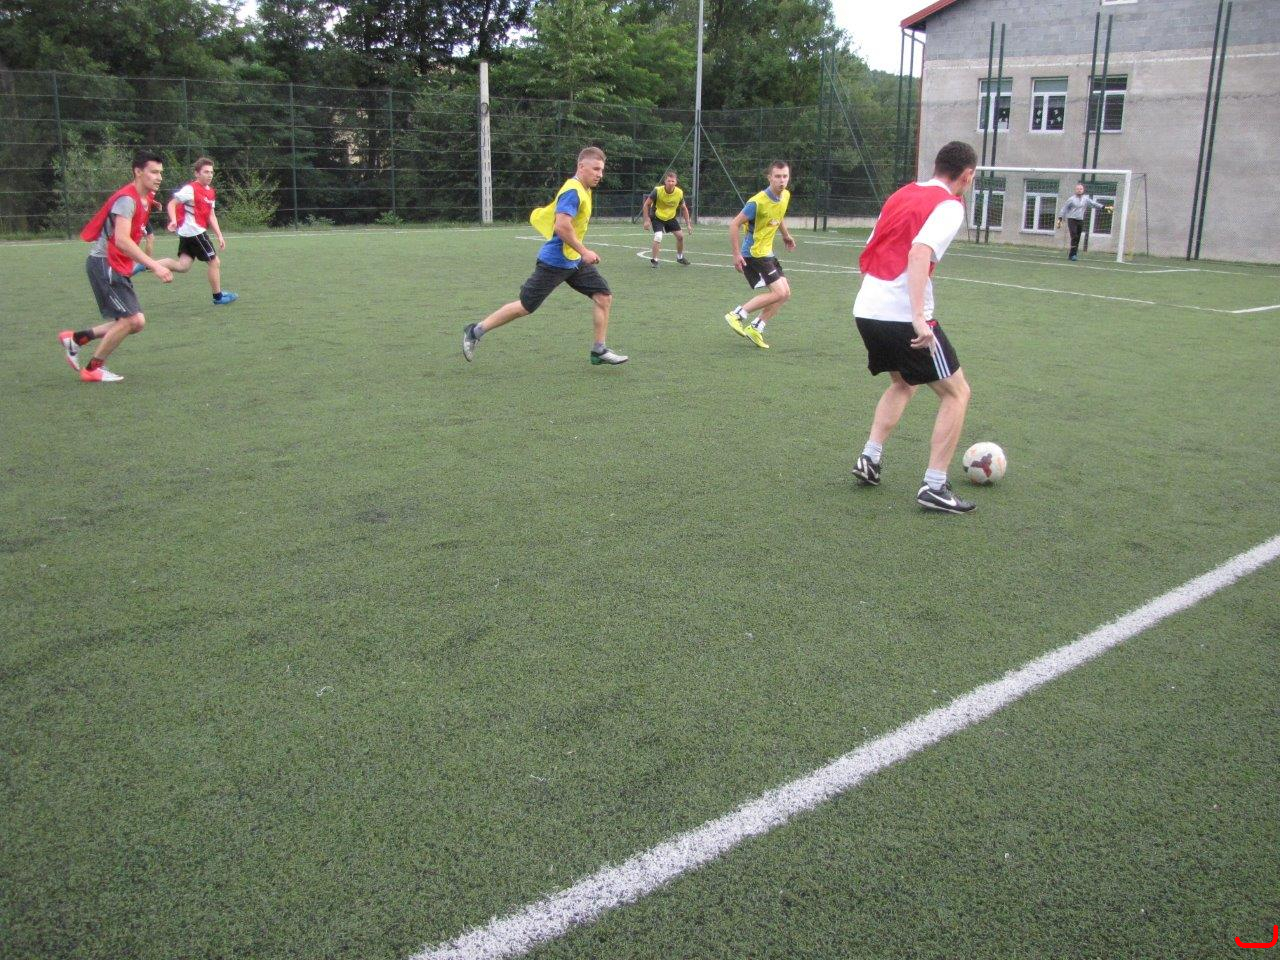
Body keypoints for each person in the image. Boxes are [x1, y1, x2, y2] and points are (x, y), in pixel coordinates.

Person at [850, 141, 978, 514]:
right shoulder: (950, 205)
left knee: (904, 383)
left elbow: (871, 247)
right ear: (966, 175)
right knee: (957, 393)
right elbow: (920, 251)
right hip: (901, 315)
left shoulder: (902, 194)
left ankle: (870, 458)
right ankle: (935, 486)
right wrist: (919, 317)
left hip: (866, 308)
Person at [463, 146, 627, 366]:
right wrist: (585, 251)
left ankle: (599, 350)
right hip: (555, 262)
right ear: (581, 167)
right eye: (596, 169)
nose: (600, 174)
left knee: (603, 296)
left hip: (573, 261)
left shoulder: (584, 189)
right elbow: (561, 226)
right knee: (525, 306)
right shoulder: (573, 191)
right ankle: (475, 331)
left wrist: (579, 254)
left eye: (602, 170)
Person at [59, 150, 174, 383]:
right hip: (105, 264)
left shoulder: (143, 197)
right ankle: (93, 369)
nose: (159, 177)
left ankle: (76, 339)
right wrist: (155, 265)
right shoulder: (127, 200)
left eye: (160, 172)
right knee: (131, 320)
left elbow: (139, 207)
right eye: (154, 172)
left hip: (115, 264)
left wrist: (151, 203)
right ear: (138, 172)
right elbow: (121, 240)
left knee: (136, 322)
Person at [723, 161, 796, 349]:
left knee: (785, 294)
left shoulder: (785, 195)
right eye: (777, 176)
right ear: (769, 177)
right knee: (779, 292)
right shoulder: (757, 202)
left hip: (767, 252)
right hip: (753, 253)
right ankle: (737, 314)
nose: (781, 180)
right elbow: (734, 224)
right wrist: (736, 254)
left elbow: (778, 216)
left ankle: (756, 327)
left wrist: (786, 235)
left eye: (785, 176)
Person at [152, 157, 236, 304]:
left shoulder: (210, 192)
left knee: (183, 266)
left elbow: (211, 215)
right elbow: (172, 204)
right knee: (214, 262)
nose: (210, 175)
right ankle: (218, 297)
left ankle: (146, 264)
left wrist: (219, 235)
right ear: (197, 173)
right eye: (206, 172)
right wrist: (173, 220)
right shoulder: (190, 189)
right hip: (195, 232)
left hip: (189, 233)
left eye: (211, 172)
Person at [641, 170, 692, 267]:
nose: (671, 183)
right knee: (658, 236)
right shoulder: (657, 191)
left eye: (673, 181)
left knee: (680, 237)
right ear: (665, 181)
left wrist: (688, 224)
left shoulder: (679, 193)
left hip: (670, 217)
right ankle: (655, 260)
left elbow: (684, 208)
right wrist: (647, 220)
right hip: (657, 216)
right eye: (669, 181)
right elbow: (646, 205)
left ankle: (680, 257)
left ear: (676, 182)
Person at [1056, 182, 1112, 261]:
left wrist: (1104, 207)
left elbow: (1094, 204)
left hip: (1080, 220)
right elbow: (1064, 208)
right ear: (1075, 190)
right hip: (1072, 219)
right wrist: (1060, 218)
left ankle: (1072, 254)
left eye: (1081, 189)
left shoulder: (1085, 199)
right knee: (1074, 236)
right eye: (1078, 189)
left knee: (1078, 237)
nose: (1079, 190)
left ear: (1083, 190)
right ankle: (1073, 255)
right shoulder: (1071, 199)